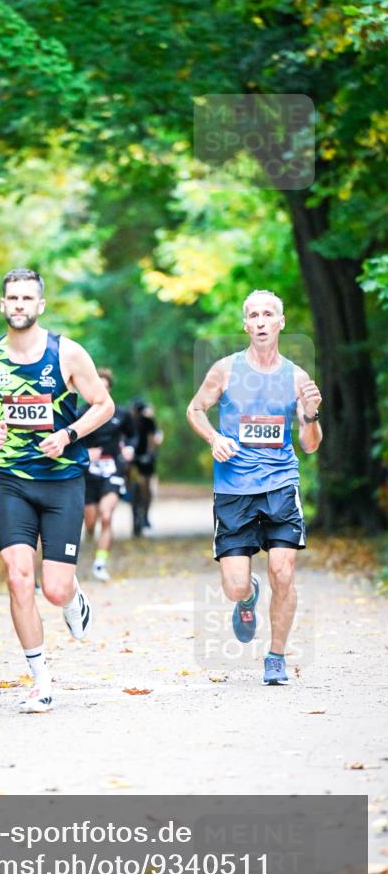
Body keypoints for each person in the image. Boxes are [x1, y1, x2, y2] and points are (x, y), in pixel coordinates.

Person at [0, 268, 115, 713]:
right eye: (13, 298)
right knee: (16, 577)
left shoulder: (67, 353)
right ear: (2, 304)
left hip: (63, 481)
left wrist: (67, 435)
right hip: (14, 482)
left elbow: (104, 405)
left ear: (40, 305)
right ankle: (40, 679)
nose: (20, 305)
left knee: (53, 588)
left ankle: (71, 597)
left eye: (28, 298)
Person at [186, 289, 322, 685]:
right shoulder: (224, 370)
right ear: (245, 325)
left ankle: (276, 656)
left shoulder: (297, 377)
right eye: (253, 315)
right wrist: (214, 439)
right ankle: (247, 596)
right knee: (234, 585)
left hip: (280, 483)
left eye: (268, 314)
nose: (261, 321)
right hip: (233, 489)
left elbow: (310, 444)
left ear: (280, 322)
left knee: (283, 570)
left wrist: (311, 415)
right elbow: (195, 409)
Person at [78, 368, 135, 581]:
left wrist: (129, 448)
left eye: (105, 386)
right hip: (88, 474)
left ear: (109, 389)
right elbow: (68, 442)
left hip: (113, 470)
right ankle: (90, 534)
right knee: (90, 521)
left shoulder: (121, 413)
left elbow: (133, 436)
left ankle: (100, 564)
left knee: (107, 515)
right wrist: (85, 453)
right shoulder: (80, 413)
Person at [130, 399, 162, 535]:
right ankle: (140, 515)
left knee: (145, 487)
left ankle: (145, 515)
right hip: (133, 458)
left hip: (144, 459)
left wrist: (149, 454)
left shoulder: (148, 421)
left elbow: (151, 439)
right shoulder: (131, 421)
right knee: (137, 487)